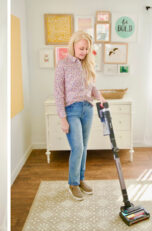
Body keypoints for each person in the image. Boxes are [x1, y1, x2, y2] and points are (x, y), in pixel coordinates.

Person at [54, 31, 106, 201]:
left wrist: (100, 97)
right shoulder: (63, 64)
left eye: (86, 49)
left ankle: (81, 179)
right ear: (73, 46)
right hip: (72, 111)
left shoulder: (88, 65)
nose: (83, 51)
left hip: (87, 109)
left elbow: (92, 87)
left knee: (84, 147)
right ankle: (73, 183)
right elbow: (58, 93)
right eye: (81, 48)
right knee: (77, 147)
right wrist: (63, 118)